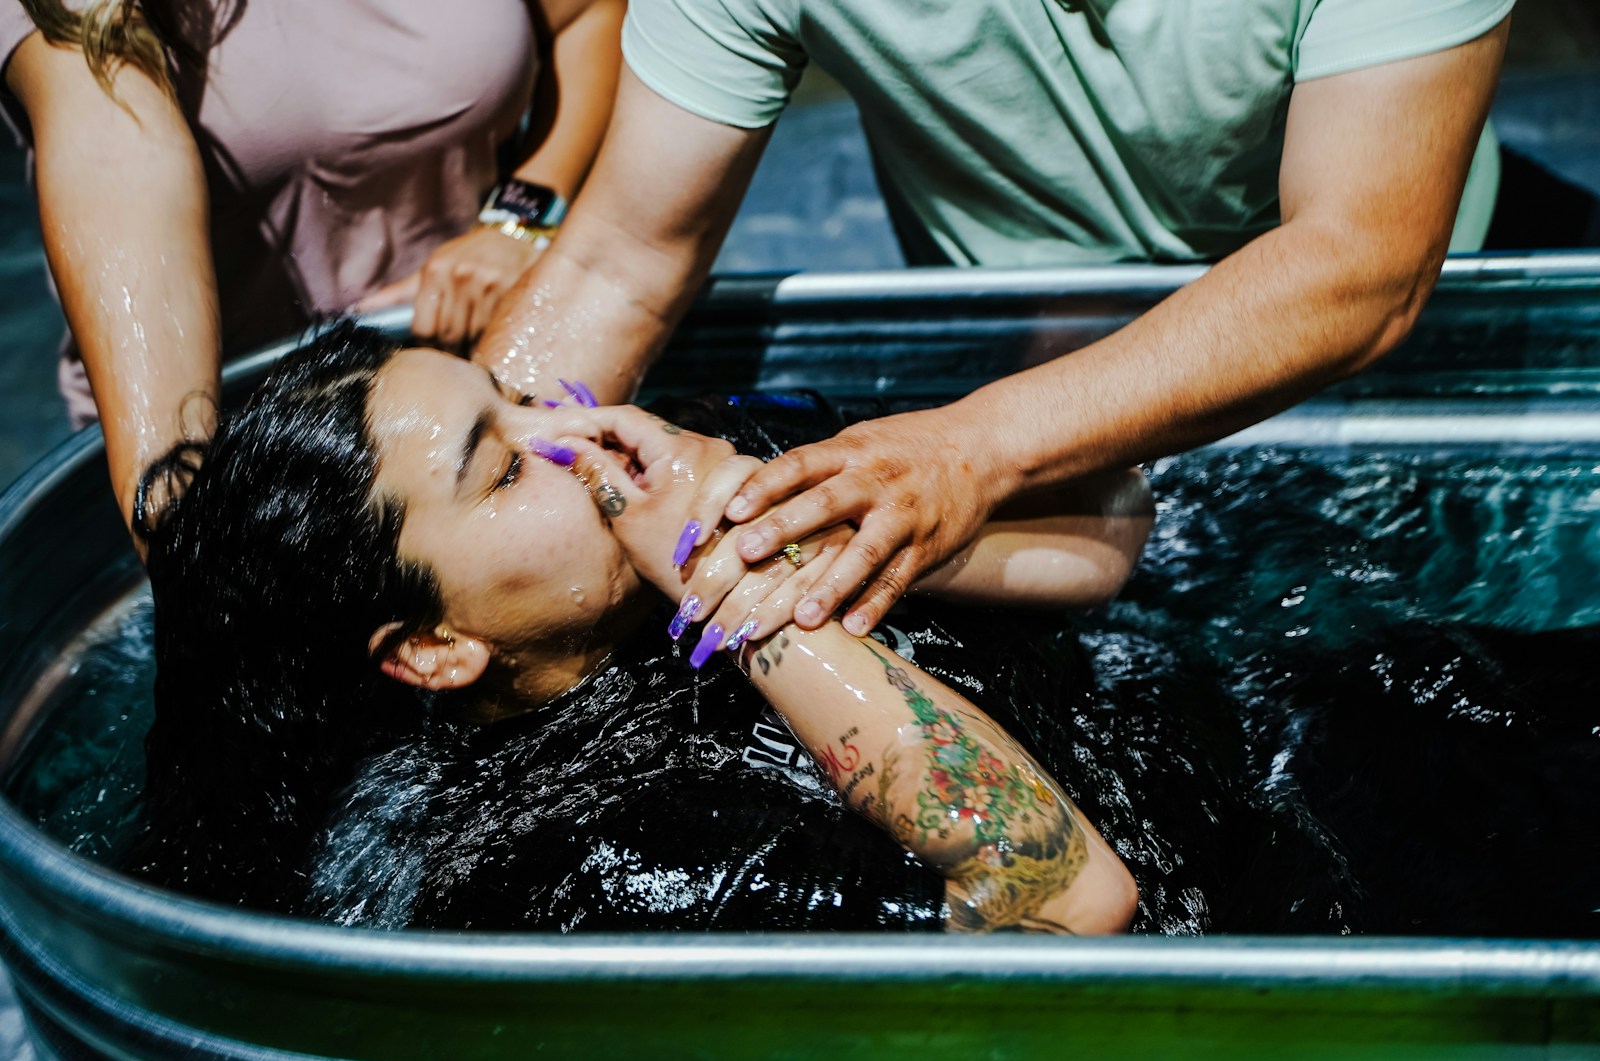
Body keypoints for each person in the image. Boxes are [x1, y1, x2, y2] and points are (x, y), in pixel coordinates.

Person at [470, 0, 1515, 640]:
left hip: (1395, 392)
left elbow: (1358, 261)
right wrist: (468, 463)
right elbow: (618, 264)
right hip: (1021, 372)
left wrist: (968, 449)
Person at [132, 322, 1150, 933]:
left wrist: (772, 508)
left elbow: (1111, 529)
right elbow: (1062, 905)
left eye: (522, 397)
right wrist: (729, 588)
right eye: (504, 467)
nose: (576, 433)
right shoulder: (583, 868)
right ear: (434, 648)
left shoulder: (712, 470)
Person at [0, 0, 623, 534]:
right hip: (249, 438)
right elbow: (120, 159)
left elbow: (587, 15)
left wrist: (518, 219)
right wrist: (180, 519)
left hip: (477, 365)